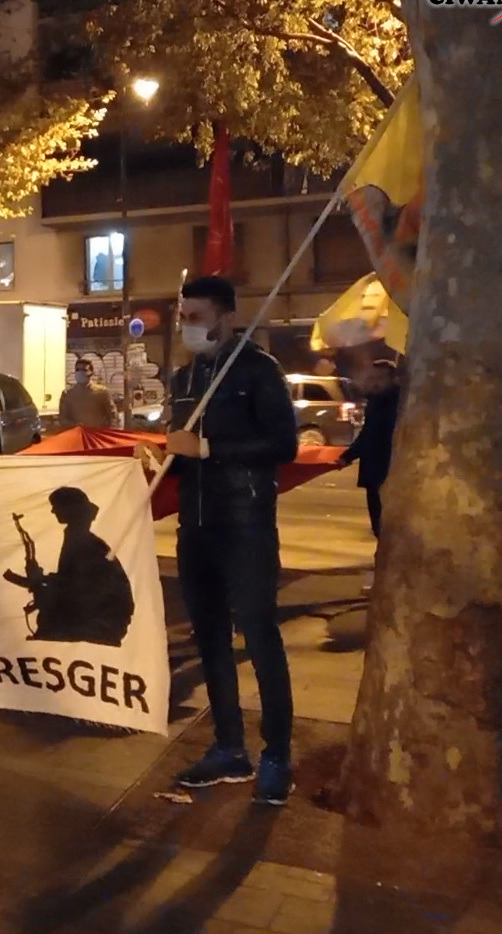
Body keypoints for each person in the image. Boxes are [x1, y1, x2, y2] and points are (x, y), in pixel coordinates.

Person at [150, 275, 299, 805]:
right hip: (196, 528)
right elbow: (183, 450)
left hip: (246, 524)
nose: (188, 325)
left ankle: (277, 756)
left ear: (226, 316)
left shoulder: (258, 370)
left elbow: (283, 444)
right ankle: (228, 747)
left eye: (198, 316)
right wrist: (164, 459)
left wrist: (209, 449)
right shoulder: (185, 378)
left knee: (259, 637)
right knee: (210, 638)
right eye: (183, 316)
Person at [2, 487, 135, 647]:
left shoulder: (84, 542)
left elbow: (82, 585)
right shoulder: (78, 537)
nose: (53, 511)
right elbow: (75, 578)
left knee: (49, 623)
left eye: (57, 506)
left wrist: (45, 583)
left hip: (101, 621)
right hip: (96, 615)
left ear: (71, 508)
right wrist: (45, 581)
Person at [340, 360, 400, 540]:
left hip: (389, 468)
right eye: (372, 378)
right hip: (374, 468)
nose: (375, 382)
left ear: (392, 379)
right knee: (377, 520)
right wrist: (348, 456)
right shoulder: (375, 402)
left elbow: (376, 435)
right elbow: (368, 434)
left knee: (387, 522)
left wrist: (349, 456)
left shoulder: (397, 403)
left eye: (380, 378)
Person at [59, 359, 116, 430]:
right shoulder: (68, 394)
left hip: (97, 433)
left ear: (91, 372)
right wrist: (74, 426)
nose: (80, 372)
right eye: (77, 370)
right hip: (77, 434)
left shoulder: (102, 392)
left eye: (84, 370)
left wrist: (108, 431)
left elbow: (112, 416)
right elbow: (63, 419)